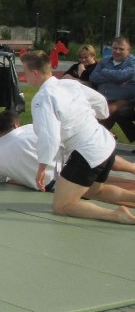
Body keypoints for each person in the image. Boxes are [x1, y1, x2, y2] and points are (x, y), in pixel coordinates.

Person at [22, 50, 135, 224]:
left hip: (88, 153)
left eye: (25, 72)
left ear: (34, 73)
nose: (24, 76)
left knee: (62, 206)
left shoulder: (43, 98)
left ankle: (118, 215)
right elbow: (100, 102)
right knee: (93, 191)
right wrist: (99, 118)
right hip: (105, 143)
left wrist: (42, 167)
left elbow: (49, 136)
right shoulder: (70, 84)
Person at [0, 109, 135, 194]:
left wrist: (17, 171)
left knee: (97, 189)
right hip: (69, 171)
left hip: (53, 186)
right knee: (91, 155)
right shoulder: (32, 129)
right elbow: (66, 135)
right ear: (16, 124)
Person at [89, 37, 135, 142]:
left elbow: (122, 76)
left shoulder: (132, 62)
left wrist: (104, 71)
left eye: (121, 49)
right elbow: (93, 77)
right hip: (103, 100)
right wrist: (115, 78)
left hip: (125, 102)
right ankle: (106, 137)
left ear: (128, 49)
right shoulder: (105, 60)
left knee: (117, 112)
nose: (117, 51)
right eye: (115, 48)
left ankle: (106, 137)